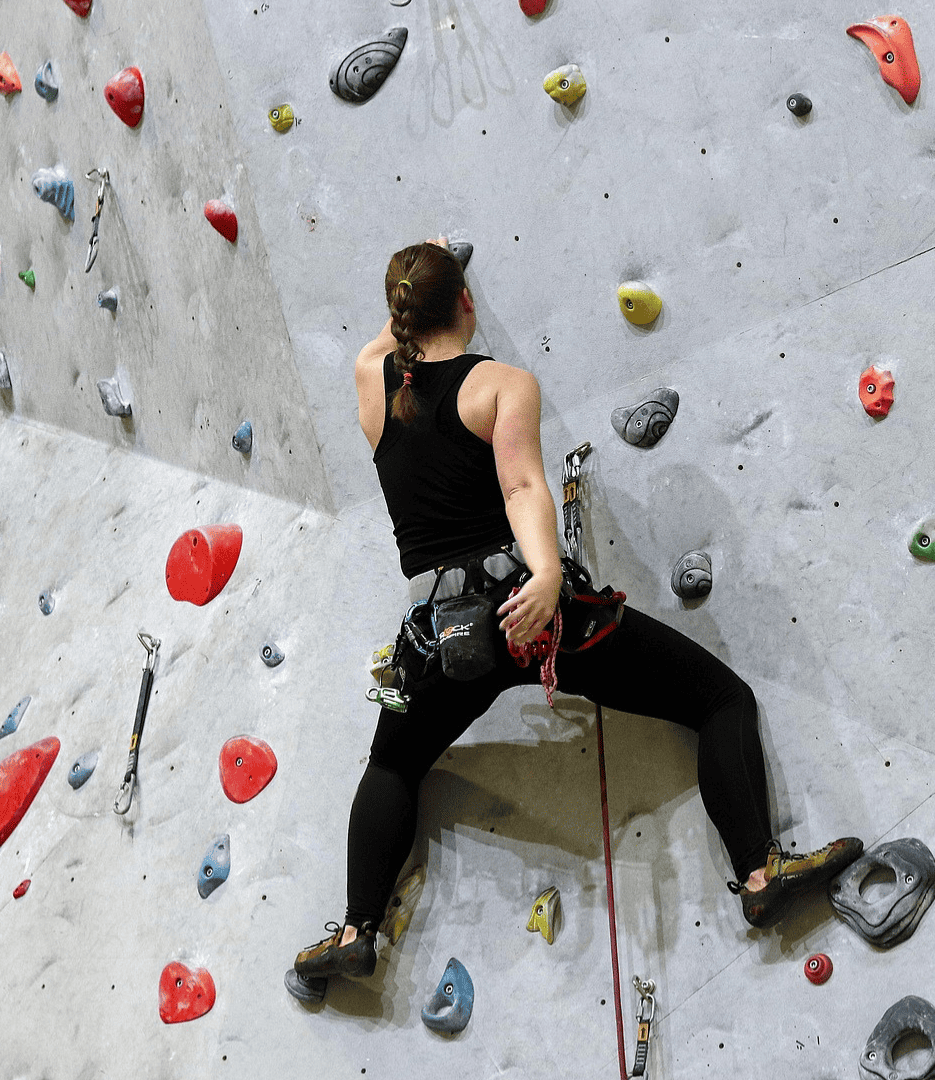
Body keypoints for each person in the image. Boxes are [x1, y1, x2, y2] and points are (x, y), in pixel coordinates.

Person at [292, 241, 862, 987]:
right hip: (528, 614)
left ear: (399, 311)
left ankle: (355, 929)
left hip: (435, 638)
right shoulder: (501, 384)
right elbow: (524, 488)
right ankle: (760, 875)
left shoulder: (374, 379)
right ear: (466, 301)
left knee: (392, 761)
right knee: (721, 698)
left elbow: (386, 338)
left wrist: (425, 269)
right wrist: (551, 573)